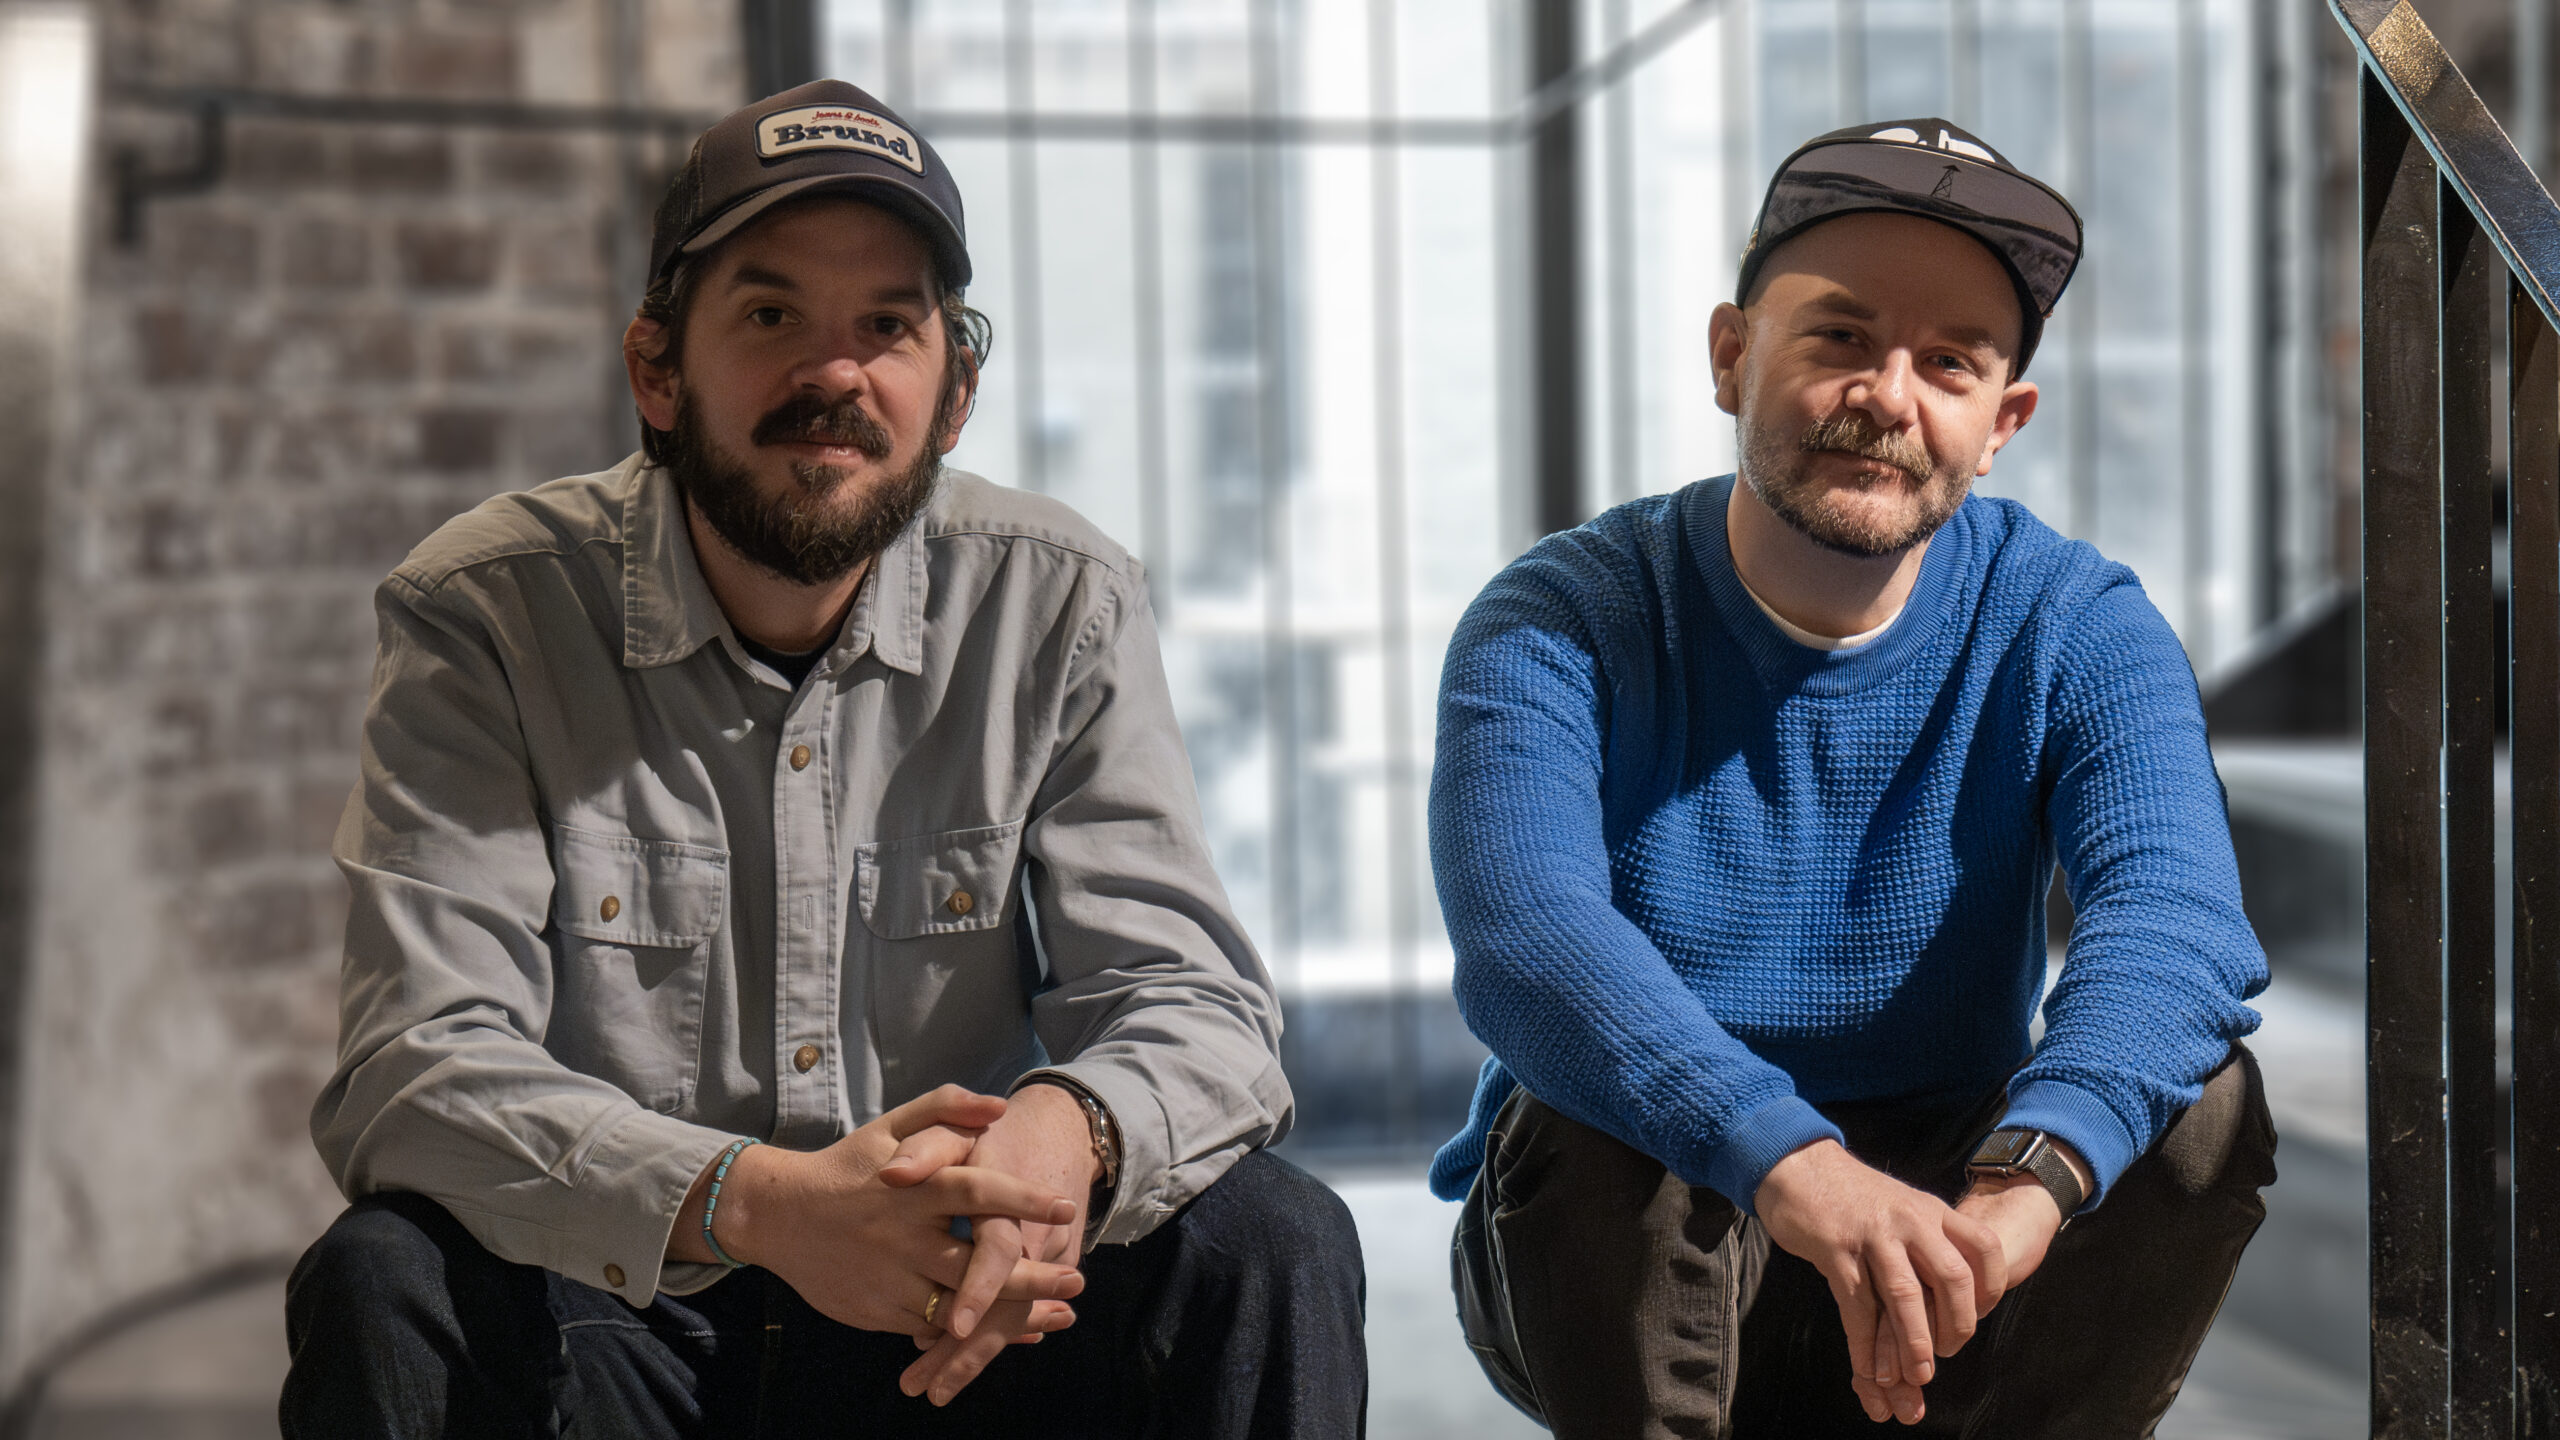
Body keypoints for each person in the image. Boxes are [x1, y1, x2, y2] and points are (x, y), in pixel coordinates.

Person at [282, 79, 1365, 1439]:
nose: (835, 376)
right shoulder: (487, 613)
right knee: (384, 1280)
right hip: (633, 1314)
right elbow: (416, 1065)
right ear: (659, 372)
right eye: (771, 316)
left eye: (888, 328)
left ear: (954, 393)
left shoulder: (1058, 602)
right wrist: (766, 1206)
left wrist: (1069, 1130)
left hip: (965, 1308)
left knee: (1272, 1240)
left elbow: (1199, 1007)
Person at [1432, 119, 2275, 1438]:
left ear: (2000, 425)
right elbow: (1529, 941)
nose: (1888, 396)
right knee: (1596, 1110)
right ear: (1732, 355)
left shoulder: (2075, 620)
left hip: (1954, 1238)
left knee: (2197, 1108)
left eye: (1950, 363)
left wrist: (2024, 1191)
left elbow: (2177, 925)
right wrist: (1794, 1161)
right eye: (1839, 336)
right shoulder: (1564, 617)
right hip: (1644, 1230)